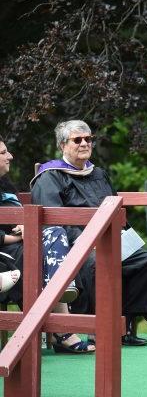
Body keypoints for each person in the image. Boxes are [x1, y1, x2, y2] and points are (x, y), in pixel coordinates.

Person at [30, 120, 147, 346]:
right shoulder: (50, 176)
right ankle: (96, 328)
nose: (84, 143)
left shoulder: (98, 174)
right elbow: (52, 220)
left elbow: (116, 208)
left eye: (88, 139)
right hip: (75, 247)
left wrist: (126, 236)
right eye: (77, 140)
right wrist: (85, 241)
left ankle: (125, 326)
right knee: (96, 262)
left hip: (108, 240)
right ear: (63, 145)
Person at [0, 137, 94, 353]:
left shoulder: (4, 184)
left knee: (56, 233)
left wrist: (28, 227)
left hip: (24, 240)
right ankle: (63, 323)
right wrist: (21, 233)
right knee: (49, 246)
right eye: (3, 153)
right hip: (7, 250)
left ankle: (62, 296)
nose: (10, 156)